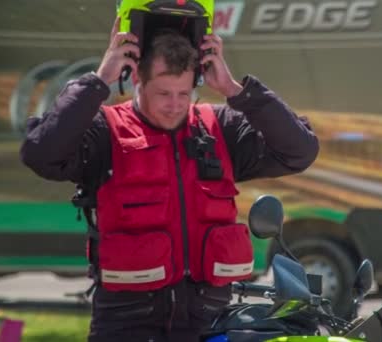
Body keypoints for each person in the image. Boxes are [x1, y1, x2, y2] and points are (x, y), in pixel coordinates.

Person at [20, 17, 319, 342]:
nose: (175, 104)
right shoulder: (105, 131)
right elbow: (40, 153)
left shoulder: (221, 128)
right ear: (137, 78)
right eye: (163, 92)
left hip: (209, 324)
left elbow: (299, 151)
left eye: (184, 92)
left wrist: (236, 90)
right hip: (126, 326)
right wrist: (99, 80)